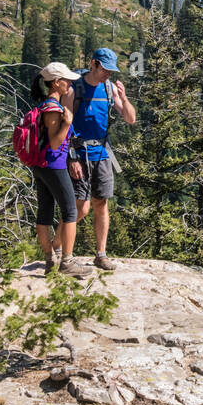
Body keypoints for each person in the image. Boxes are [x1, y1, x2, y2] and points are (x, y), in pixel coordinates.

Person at [66, 47, 136, 270]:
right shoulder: (75, 87)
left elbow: (130, 118)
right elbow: (65, 123)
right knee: (81, 207)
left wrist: (123, 98)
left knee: (101, 203)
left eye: (111, 70)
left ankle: (101, 254)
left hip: (103, 153)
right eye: (105, 69)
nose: (108, 74)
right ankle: (60, 249)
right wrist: (72, 157)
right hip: (79, 153)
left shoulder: (108, 89)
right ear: (93, 63)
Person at [30, 62, 83, 275]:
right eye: (67, 80)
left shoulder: (45, 105)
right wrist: (67, 123)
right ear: (57, 83)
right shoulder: (52, 107)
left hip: (41, 166)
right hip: (54, 164)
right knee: (70, 211)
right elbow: (54, 143)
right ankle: (66, 262)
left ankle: (50, 261)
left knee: (44, 213)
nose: (70, 83)